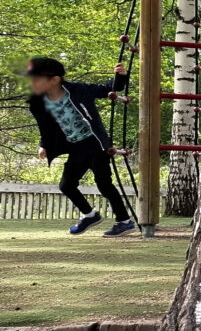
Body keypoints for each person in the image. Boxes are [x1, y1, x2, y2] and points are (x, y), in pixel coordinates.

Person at [24, 57, 136, 237]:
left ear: (55, 79)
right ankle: (107, 218)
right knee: (85, 185)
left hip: (94, 143)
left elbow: (108, 89)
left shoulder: (78, 90)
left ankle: (109, 219)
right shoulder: (40, 102)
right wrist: (43, 144)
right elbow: (46, 127)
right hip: (76, 145)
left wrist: (120, 77)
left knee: (87, 184)